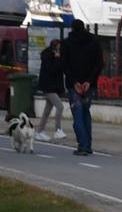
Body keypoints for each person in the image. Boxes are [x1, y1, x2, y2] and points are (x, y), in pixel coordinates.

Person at [63, 21, 102, 157]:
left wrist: (75, 82)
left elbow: (65, 65)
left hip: (74, 85)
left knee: (77, 114)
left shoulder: (67, 43)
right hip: (89, 85)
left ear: (72, 28)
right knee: (86, 112)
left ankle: (83, 145)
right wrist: (89, 81)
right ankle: (88, 144)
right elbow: (99, 64)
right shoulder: (94, 42)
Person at [35, 38, 67, 141]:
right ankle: (58, 130)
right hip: (49, 87)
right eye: (58, 48)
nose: (60, 50)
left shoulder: (48, 55)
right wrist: (57, 58)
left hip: (49, 86)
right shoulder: (49, 56)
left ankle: (39, 131)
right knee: (60, 106)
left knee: (47, 110)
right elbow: (53, 70)